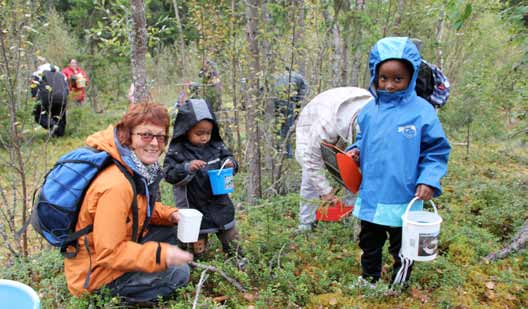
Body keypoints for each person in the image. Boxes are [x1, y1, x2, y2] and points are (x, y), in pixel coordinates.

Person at [346, 37, 451, 287]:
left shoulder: (422, 111)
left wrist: (428, 180)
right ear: (375, 75)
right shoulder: (370, 110)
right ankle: (369, 279)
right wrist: (355, 151)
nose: (390, 85)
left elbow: (436, 151)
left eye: (397, 79)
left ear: (411, 77)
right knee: (369, 241)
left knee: (402, 244)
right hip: (372, 192)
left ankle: (398, 285)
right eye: (384, 78)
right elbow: (363, 139)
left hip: (404, 194)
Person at [63, 103, 193, 304]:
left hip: (111, 252)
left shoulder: (132, 167)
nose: (155, 144)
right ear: (128, 136)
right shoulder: (116, 185)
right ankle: (113, 299)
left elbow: (137, 209)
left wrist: (172, 214)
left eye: (161, 137)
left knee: (174, 227)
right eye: (146, 135)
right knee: (179, 273)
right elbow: (109, 253)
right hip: (96, 275)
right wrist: (161, 254)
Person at [163, 98, 245, 266]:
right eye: (199, 133)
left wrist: (230, 164)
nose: (204, 137)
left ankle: (239, 261)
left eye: (208, 132)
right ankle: (198, 267)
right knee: (197, 241)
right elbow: (169, 174)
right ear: (186, 130)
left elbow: (228, 158)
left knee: (230, 234)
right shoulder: (177, 151)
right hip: (194, 207)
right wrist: (187, 167)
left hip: (219, 202)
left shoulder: (216, 146)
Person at [294, 87, 372, 232]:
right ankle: (306, 222)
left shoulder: (377, 113)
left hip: (346, 116)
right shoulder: (325, 125)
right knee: (309, 172)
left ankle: (350, 214)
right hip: (315, 117)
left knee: (353, 168)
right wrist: (325, 191)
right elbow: (311, 161)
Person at [273, 67, 308, 158]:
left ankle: (278, 152)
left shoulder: (274, 76)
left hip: (274, 102)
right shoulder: (299, 77)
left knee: (277, 129)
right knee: (286, 128)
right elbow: (302, 94)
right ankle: (287, 154)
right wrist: (297, 107)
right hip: (288, 102)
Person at [31, 62, 69, 137]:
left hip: (46, 98)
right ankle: (59, 135)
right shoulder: (62, 75)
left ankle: (52, 125)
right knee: (60, 118)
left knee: (38, 116)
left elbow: (34, 87)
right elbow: (67, 89)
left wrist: (35, 98)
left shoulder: (38, 73)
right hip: (62, 98)